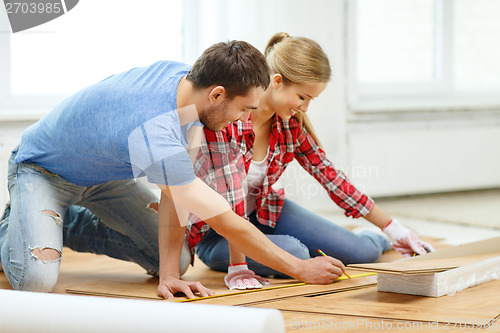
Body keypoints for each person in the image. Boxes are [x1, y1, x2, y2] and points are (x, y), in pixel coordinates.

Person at [0, 40, 347, 299]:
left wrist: (168, 276)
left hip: (105, 177)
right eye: (243, 109)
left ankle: (65, 224)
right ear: (217, 94)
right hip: (42, 170)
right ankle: (14, 226)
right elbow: (223, 219)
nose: (244, 119)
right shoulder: (156, 129)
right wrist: (299, 268)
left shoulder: (188, 84)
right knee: (36, 281)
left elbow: (175, 196)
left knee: (176, 262)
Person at [188, 33, 435, 290]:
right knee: (298, 252)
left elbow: (331, 177)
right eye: (302, 97)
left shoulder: (290, 127)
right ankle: (285, 250)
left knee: (363, 252)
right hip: (219, 233)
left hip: (264, 211)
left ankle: (372, 239)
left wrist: (395, 229)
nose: (305, 108)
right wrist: (238, 268)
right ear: (277, 82)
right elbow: (233, 199)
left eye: (310, 100)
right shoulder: (231, 119)